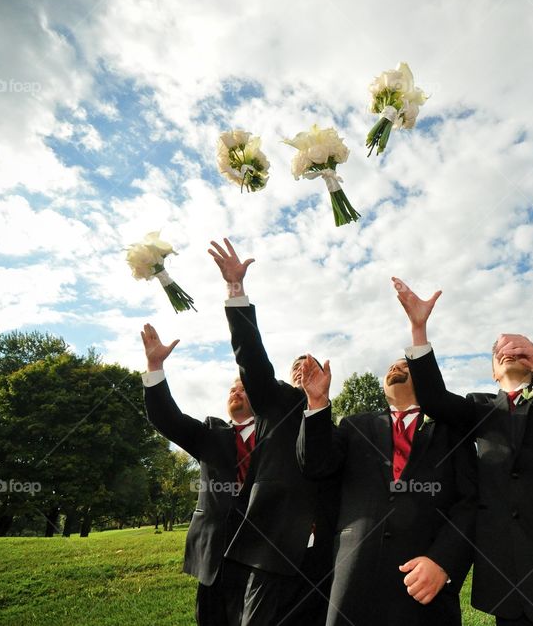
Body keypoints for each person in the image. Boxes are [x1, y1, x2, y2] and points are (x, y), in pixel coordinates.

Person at [396, 280, 533, 626]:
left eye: (516, 347)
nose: (508, 350)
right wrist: (418, 328)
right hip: (508, 580)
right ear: (493, 371)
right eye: (499, 351)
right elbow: (435, 400)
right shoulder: (478, 408)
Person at [209, 237, 338, 626]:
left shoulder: (333, 419)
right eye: (298, 366)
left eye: (313, 366)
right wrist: (236, 291)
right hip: (272, 544)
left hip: (322, 555)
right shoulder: (275, 399)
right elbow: (253, 359)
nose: (305, 370)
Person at [296, 354, 478, 626]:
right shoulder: (354, 426)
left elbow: (471, 502)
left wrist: (442, 562)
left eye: (406, 365)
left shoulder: (451, 431)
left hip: (421, 587)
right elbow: (315, 465)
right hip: (352, 582)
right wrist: (318, 404)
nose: (396, 366)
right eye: (392, 365)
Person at [141, 323, 255, 626]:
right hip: (214, 559)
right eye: (233, 388)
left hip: (263, 557)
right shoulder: (210, 433)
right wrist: (155, 366)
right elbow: (167, 418)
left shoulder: (279, 436)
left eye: (244, 387)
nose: (235, 391)